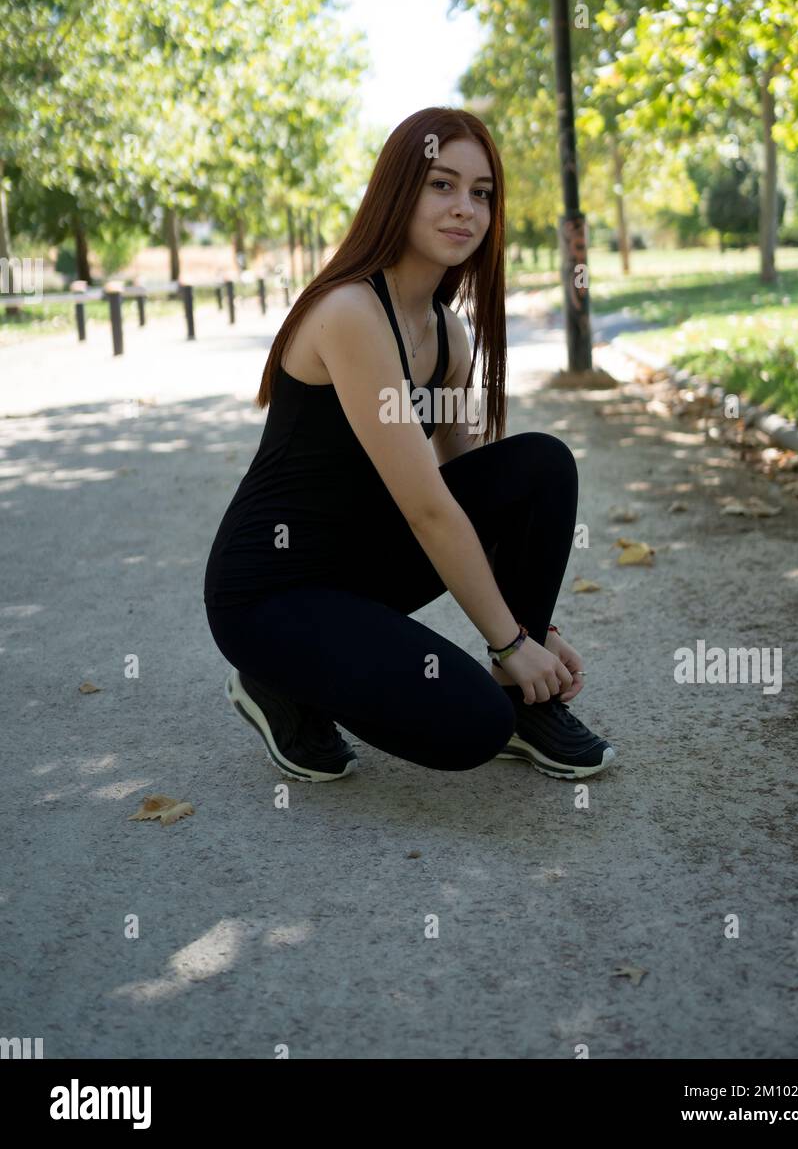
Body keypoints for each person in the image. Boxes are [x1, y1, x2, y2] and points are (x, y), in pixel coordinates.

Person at [203, 106, 615, 783]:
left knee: (540, 465)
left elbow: (470, 493)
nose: (466, 209)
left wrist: (534, 630)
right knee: (472, 726)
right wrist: (507, 641)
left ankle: (528, 702)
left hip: (356, 571)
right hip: (269, 592)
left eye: (482, 193)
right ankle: (277, 681)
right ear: (400, 191)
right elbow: (428, 510)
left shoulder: (449, 336)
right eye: (442, 185)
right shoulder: (350, 314)